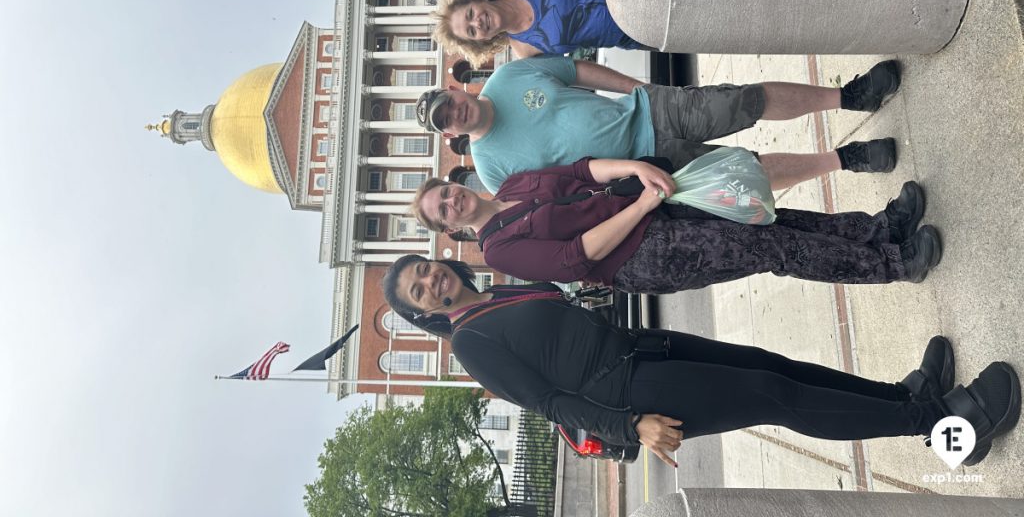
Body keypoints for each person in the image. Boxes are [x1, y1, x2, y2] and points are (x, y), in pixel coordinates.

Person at [382, 256, 1020, 467]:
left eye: (424, 270)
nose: (430, 281)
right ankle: (939, 426)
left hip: (644, 349)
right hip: (631, 392)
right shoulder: (469, 341)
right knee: (776, 396)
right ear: (424, 312)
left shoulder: (497, 289)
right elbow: (549, 403)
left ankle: (902, 399)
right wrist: (629, 428)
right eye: (418, 291)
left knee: (775, 367)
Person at [411, 158, 942, 288]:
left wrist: (635, 170)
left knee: (761, 212)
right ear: (448, 231)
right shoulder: (500, 250)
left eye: (445, 191)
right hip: (641, 254)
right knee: (770, 251)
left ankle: (875, 231)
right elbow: (576, 258)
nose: (451, 201)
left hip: (649, 200)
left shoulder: (509, 189)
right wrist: (639, 208)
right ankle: (892, 266)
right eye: (442, 210)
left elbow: (577, 171)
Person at [415, 55, 902, 194]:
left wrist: (633, 85)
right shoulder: (493, 169)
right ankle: (847, 159)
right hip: (645, 168)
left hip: (650, 110)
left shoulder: (509, 75)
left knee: (747, 101)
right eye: (445, 121)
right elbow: (556, 196)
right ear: (450, 136)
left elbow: (578, 71)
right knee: (746, 171)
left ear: (455, 89)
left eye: (447, 102)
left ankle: (850, 96)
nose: (453, 112)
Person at [432, 0, 645, 67]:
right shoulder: (525, 52)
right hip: (637, 32)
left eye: (470, 13)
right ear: (481, 40)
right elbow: (574, 70)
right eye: (471, 31)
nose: (477, 22)